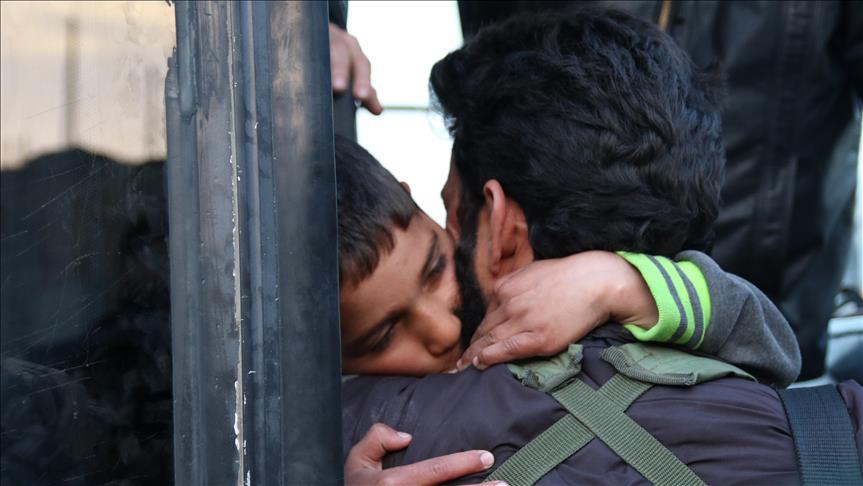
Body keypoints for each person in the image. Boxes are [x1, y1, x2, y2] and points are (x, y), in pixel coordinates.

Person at [342, 9, 862, 485]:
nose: (441, 329)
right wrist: (624, 285)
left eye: (450, 219)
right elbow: (778, 348)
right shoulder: (836, 435)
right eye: (382, 333)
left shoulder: (354, 439)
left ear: (503, 227)